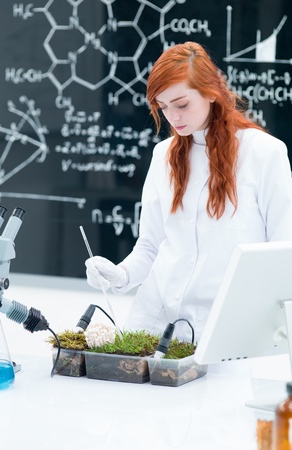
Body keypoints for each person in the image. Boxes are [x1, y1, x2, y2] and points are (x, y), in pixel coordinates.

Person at [85, 41, 292, 342]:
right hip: (154, 325)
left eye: (181, 104)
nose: (173, 117)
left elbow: (281, 252)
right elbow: (151, 247)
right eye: (163, 107)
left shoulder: (263, 153)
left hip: (227, 331)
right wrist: (122, 275)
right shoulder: (163, 155)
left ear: (211, 92)